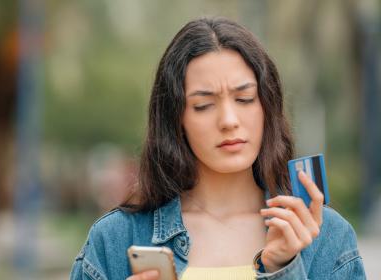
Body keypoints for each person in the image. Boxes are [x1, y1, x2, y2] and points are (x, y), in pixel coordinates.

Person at [70, 17, 366, 280]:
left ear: (267, 105)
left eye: (245, 99)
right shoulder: (116, 239)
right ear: (176, 119)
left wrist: (281, 268)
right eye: (204, 105)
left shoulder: (325, 236)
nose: (228, 120)